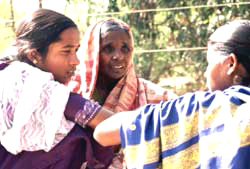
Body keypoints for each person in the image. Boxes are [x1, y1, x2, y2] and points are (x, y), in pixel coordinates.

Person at [94, 19, 250, 169]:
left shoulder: (200, 108)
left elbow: (103, 132)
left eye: (209, 63)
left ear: (231, 64)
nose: (205, 72)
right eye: (108, 49)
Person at [0, 8, 114, 169]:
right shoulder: (40, 89)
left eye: (76, 50)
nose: (75, 61)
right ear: (35, 55)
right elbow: (113, 123)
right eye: (66, 51)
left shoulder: (6, 77)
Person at [69, 17, 177, 168]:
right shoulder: (71, 92)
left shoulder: (151, 95)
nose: (118, 56)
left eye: (125, 48)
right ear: (93, 52)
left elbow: (183, 114)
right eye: (108, 49)